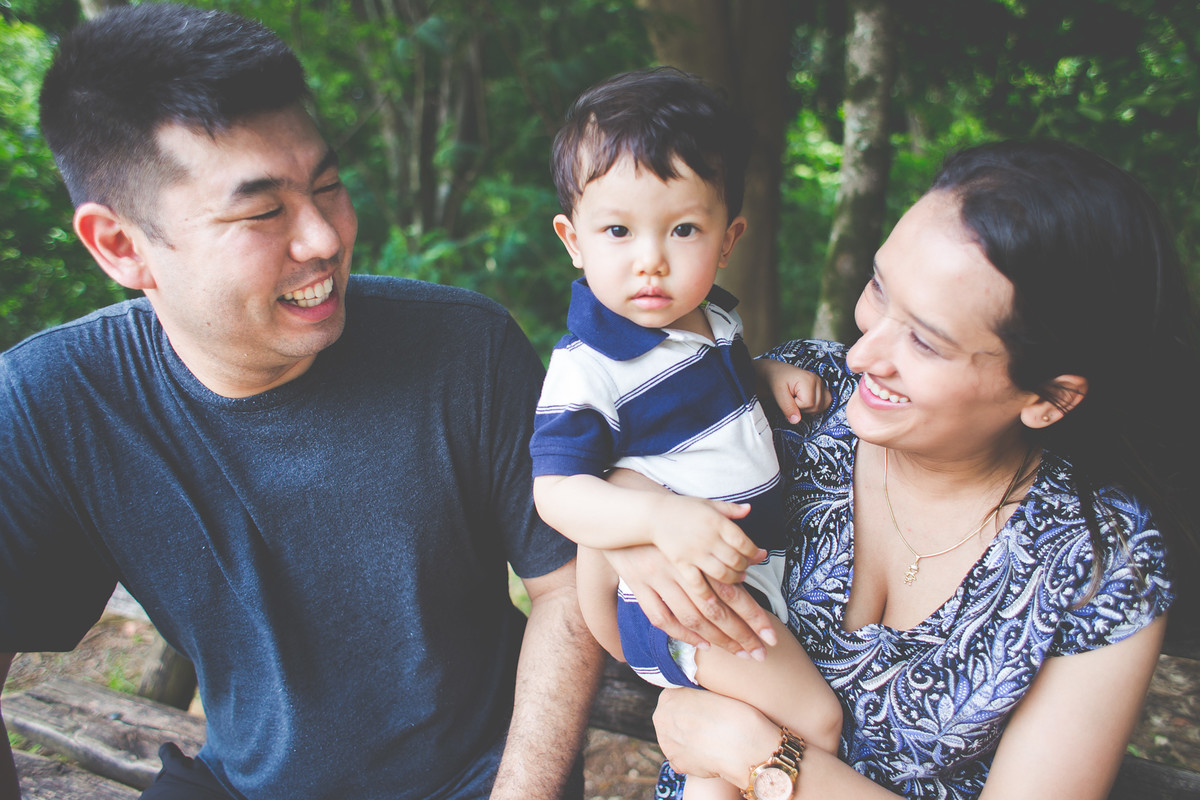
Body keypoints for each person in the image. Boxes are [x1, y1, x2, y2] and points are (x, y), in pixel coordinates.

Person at [0, 5, 603, 800]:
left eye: (327, 184)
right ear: (120, 245)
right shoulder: (54, 404)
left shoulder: (465, 350)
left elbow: (567, 589)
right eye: (262, 212)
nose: (323, 237)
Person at [593, 140, 1198, 799]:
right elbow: (617, 520)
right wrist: (633, 513)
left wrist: (764, 759)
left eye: (925, 341)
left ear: (1048, 398)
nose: (864, 354)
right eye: (880, 289)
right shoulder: (797, 401)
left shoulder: (1099, 559)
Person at [528, 68, 839, 800]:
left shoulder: (710, 322)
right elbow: (557, 492)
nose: (651, 260)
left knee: (723, 760)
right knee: (816, 722)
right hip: (684, 603)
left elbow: (701, 413)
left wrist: (759, 376)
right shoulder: (589, 366)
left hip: (735, 588)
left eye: (683, 230)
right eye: (617, 231)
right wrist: (658, 517)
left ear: (728, 239)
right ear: (573, 241)